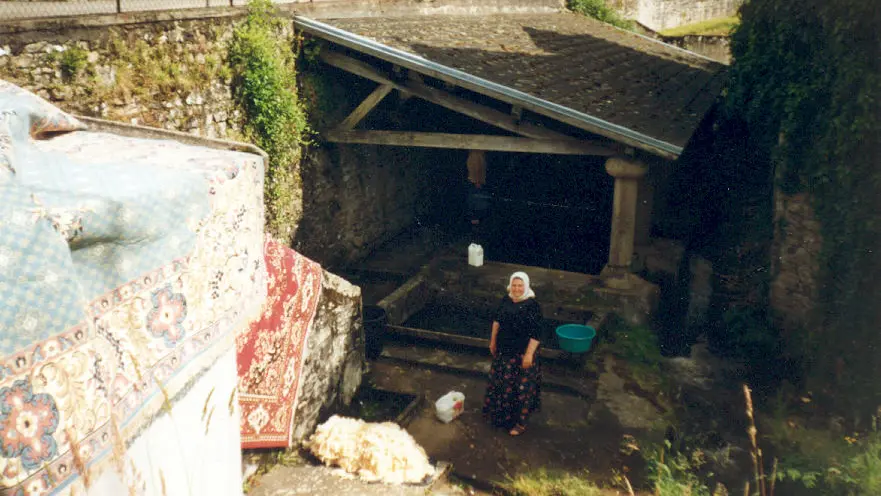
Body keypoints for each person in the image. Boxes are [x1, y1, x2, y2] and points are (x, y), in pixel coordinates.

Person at [482, 271, 543, 436]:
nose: (516, 289)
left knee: (520, 389)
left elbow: (536, 334)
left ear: (526, 286)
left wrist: (529, 354)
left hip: (521, 355)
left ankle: (519, 423)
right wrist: (493, 341)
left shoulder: (532, 305)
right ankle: (501, 417)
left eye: (520, 285)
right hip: (504, 352)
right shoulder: (506, 300)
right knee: (502, 385)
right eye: (514, 285)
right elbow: (497, 321)